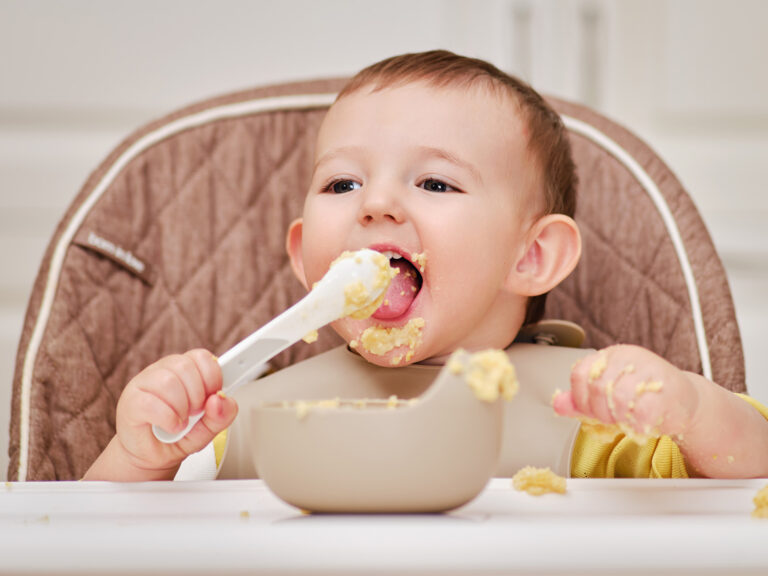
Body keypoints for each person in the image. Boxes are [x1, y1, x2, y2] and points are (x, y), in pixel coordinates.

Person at [83, 50, 768, 482]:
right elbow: (94, 547)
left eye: (435, 184)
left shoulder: (593, 413)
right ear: (303, 256)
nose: (376, 204)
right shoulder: (234, 420)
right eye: (342, 184)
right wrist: (140, 457)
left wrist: (692, 408)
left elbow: (754, 478)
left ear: (530, 256)